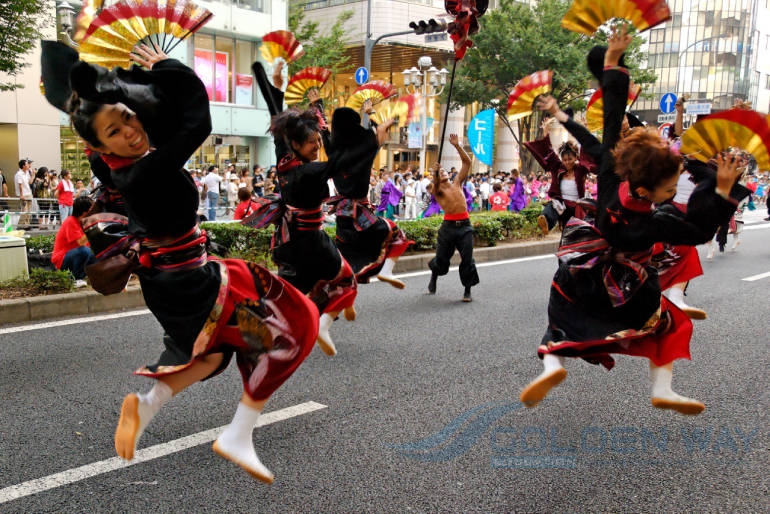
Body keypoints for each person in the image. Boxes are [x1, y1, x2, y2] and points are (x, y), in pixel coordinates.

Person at [55, 42, 318, 484]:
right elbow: (198, 118)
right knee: (295, 327)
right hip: (193, 283)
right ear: (96, 144)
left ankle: (149, 403)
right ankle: (237, 433)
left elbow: (156, 124)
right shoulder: (149, 170)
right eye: (115, 130)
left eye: (128, 117)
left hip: (174, 283)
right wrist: (168, 67)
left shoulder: (117, 167)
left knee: (211, 357)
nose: (131, 131)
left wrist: (128, 84)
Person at [519, 26, 749, 415]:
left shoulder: (611, 173)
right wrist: (724, 192)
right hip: (630, 288)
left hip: (586, 269)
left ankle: (551, 365)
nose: (674, 193)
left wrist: (612, 64)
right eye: (670, 188)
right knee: (670, 325)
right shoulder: (659, 222)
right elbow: (700, 230)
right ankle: (663, 388)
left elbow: (611, 114)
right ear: (649, 191)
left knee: (560, 318)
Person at [251, 60, 366, 357]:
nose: (317, 146)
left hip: (288, 243)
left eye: (318, 141)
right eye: (313, 143)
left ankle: (273, 330)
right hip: (312, 244)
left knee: (286, 295)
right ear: (298, 145)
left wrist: (275, 85)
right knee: (345, 280)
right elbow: (339, 161)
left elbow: (276, 115)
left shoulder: (284, 158)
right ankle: (319, 324)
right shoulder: (309, 172)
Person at [326, 101, 412, 290]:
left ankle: (335, 304)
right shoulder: (363, 154)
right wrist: (371, 113)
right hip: (361, 216)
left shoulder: (332, 151)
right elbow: (381, 129)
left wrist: (317, 105)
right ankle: (386, 271)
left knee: (345, 263)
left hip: (343, 217)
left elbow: (325, 127)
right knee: (396, 234)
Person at [426, 134, 479, 302]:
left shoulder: (457, 183)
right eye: (438, 172)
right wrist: (434, 174)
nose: (442, 172)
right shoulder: (437, 190)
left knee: (468, 259)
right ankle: (435, 273)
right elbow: (434, 185)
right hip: (448, 228)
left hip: (465, 226)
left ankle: (467, 290)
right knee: (442, 262)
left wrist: (457, 146)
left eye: (442, 170)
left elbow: (467, 163)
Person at [525, 119, 595, 235]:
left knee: (573, 235)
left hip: (577, 205)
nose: (567, 162)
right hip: (562, 205)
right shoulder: (558, 168)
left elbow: (585, 153)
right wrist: (546, 132)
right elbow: (548, 151)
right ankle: (546, 222)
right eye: (565, 160)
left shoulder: (581, 169)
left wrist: (585, 131)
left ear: (576, 158)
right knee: (554, 204)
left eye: (570, 159)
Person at [51, 196, 96, 287]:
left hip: (75, 257)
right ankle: (76, 278)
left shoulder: (83, 222)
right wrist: (92, 227)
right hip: (62, 260)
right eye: (92, 209)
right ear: (84, 212)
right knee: (84, 251)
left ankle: (94, 277)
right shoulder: (70, 222)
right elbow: (81, 243)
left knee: (97, 253)